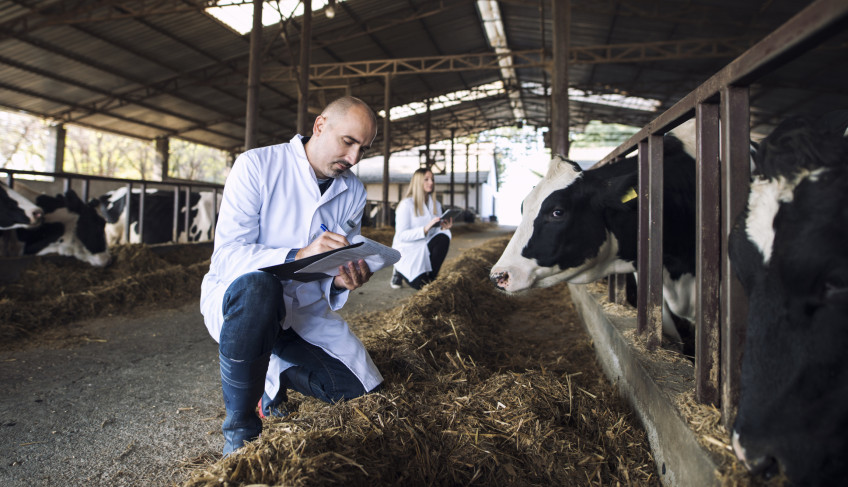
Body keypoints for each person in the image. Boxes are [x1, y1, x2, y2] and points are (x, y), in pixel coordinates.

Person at [200, 96, 383, 455]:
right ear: (320, 126)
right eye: (348, 142)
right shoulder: (257, 165)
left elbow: (332, 265)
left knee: (358, 388)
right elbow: (226, 256)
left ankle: (273, 372)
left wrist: (340, 279)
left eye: (363, 148)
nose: (354, 159)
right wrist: (296, 254)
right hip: (245, 306)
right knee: (259, 287)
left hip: (302, 313)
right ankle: (240, 431)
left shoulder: (354, 191)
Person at [390, 168, 453, 290]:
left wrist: (443, 228)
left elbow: (435, 232)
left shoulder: (436, 205)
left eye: (432, 179)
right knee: (419, 285)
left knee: (443, 237)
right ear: (418, 182)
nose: (431, 182)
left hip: (425, 246)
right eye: (426, 179)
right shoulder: (406, 205)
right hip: (408, 250)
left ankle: (432, 277)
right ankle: (398, 270)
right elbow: (401, 235)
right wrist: (424, 229)